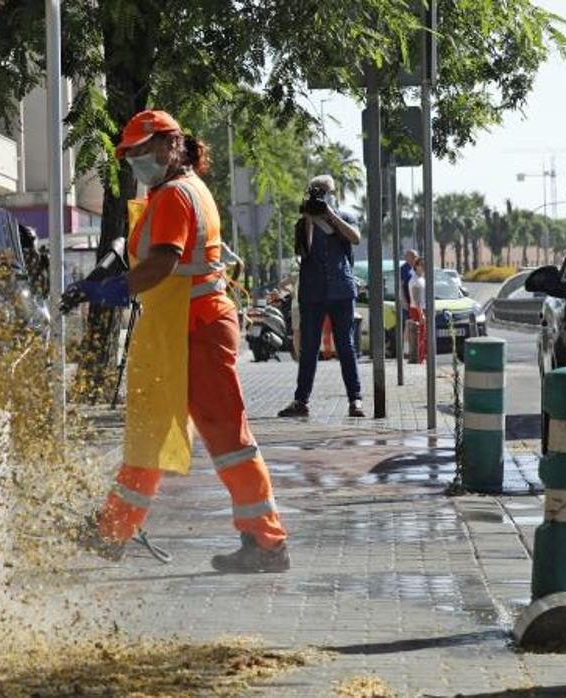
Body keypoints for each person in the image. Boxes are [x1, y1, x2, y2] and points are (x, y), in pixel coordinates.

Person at [68, 110, 290, 573]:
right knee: (153, 428)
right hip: (185, 326)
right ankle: (112, 529)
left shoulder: (173, 195)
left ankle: (267, 542)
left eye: (143, 151)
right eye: (130, 155)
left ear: (171, 145)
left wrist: (118, 288)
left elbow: (163, 262)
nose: (136, 162)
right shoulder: (185, 189)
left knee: (228, 438)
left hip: (197, 328)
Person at [278, 175, 365, 419]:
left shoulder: (345, 217)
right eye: (317, 190)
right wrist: (310, 219)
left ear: (333, 193)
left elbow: (355, 238)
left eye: (325, 191)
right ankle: (301, 401)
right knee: (309, 348)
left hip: (341, 289)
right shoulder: (304, 221)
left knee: (345, 346)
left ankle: (355, 400)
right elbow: (304, 248)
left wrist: (330, 215)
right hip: (313, 292)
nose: (322, 194)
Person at [408, 258, 428, 364]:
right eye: (421, 264)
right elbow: (416, 300)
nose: (423, 266)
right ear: (416, 266)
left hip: (422, 308)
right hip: (417, 309)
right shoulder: (414, 280)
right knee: (419, 334)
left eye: (424, 264)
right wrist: (421, 314)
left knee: (423, 334)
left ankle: (422, 357)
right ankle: (419, 358)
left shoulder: (421, 278)